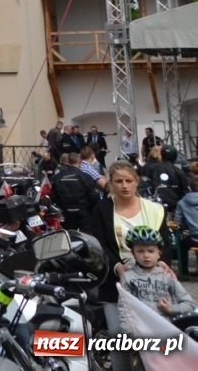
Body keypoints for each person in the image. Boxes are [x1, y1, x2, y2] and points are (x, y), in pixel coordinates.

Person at [86, 159, 172, 371]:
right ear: (111, 184)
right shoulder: (103, 209)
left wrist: (162, 262)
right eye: (118, 181)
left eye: (128, 180)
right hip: (115, 283)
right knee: (120, 341)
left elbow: (165, 243)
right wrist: (118, 267)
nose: (124, 185)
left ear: (136, 183)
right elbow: (99, 245)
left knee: (153, 340)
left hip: (152, 281)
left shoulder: (154, 209)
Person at [120, 226, 194, 317]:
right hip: (140, 327)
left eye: (151, 251)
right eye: (140, 251)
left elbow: (189, 304)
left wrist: (171, 309)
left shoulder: (166, 275)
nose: (146, 255)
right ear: (133, 253)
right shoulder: (128, 277)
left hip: (167, 326)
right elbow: (124, 309)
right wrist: (128, 330)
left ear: (159, 253)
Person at [49, 152, 100, 230]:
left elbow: (53, 196)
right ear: (79, 162)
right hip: (83, 213)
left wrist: (63, 206)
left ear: (68, 162)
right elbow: (94, 196)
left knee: (69, 237)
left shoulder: (57, 177)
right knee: (87, 237)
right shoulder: (85, 177)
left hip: (67, 213)